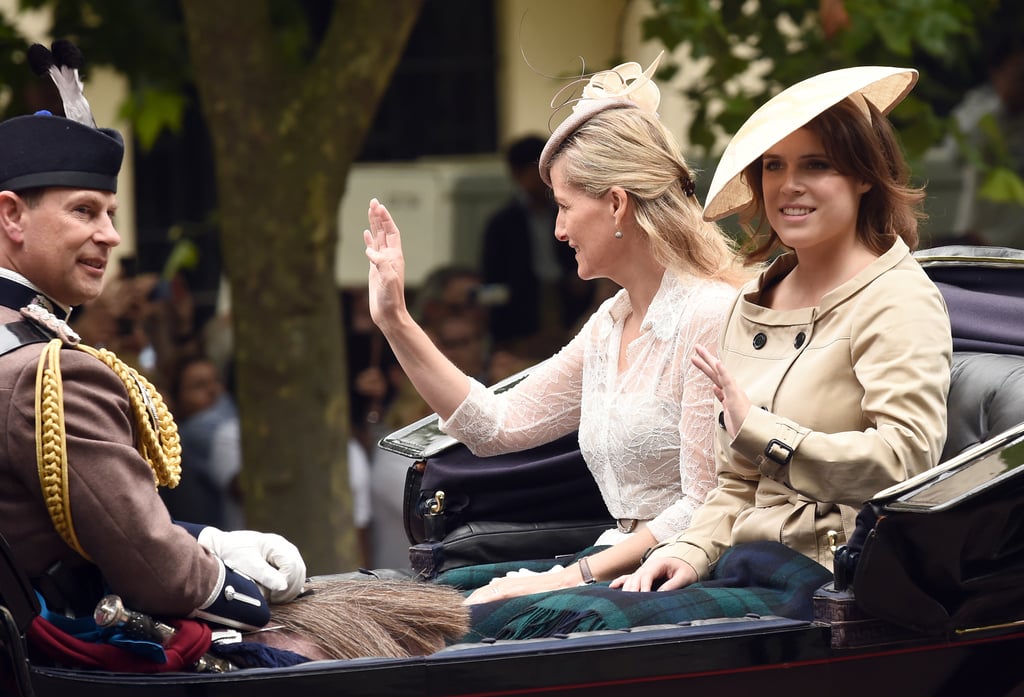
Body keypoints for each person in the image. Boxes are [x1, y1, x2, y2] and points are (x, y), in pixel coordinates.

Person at [364, 53, 747, 605]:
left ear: (617, 205)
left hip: (682, 576)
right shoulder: (609, 324)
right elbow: (492, 426)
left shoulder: (708, 313)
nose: (559, 229)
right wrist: (395, 321)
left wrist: (568, 576)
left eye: (564, 207)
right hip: (616, 567)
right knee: (431, 609)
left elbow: (703, 503)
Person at [0, 41, 306, 648]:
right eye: (85, 211)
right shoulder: (45, 372)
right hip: (67, 653)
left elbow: (85, 525)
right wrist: (240, 585)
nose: (110, 236)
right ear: (11, 215)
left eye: (111, 213)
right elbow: (159, 574)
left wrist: (205, 538)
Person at [612, 65, 952, 595]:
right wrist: (688, 550)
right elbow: (737, 483)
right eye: (774, 166)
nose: (789, 186)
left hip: (834, 579)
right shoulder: (754, 300)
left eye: (816, 165)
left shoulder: (898, 298)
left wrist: (764, 432)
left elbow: (906, 461)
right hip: (745, 562)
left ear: (864, 175)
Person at [480, 134, 594, 363]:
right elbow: (493, 273)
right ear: (517, 174)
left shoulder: (561, 210)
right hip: (523, 301)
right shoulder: (503, 221)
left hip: (564, 293)